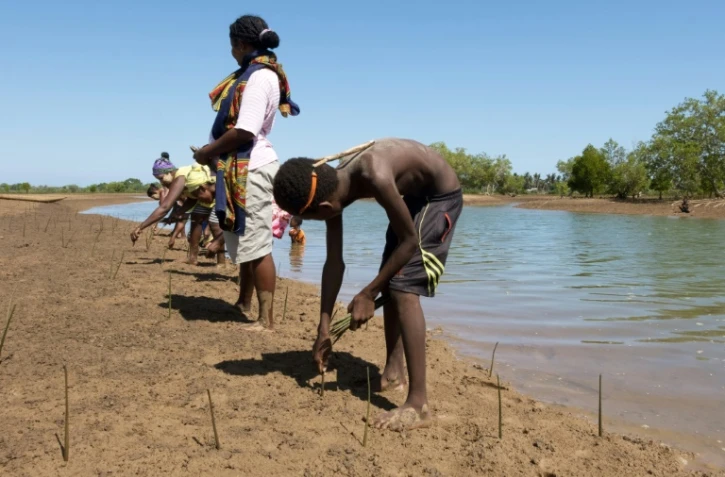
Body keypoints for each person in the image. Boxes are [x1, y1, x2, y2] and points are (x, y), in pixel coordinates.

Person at [272, 138, 463, 431]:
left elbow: (411, 241)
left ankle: (419, 405)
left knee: (402, 285)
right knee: (392, 278)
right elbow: (334, 262)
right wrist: (324, 326)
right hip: (411, 196)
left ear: (323, 208)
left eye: (306, 219)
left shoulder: (374, 175)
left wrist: (368, 292)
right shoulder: (329, 187)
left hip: (438, 196)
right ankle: (393, 374)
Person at [192, 14, 299, 330]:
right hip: (242, 168)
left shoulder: (259, 77)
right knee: (245, 241)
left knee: (257, 246)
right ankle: (243, 301)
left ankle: (265, 321)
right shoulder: (254, 74)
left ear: (240, 44)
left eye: (231, 46)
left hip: (251, 167)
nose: (230, 52)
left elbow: (245, 131)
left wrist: (205, 152)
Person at [130, 158, 226, 266]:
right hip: (204, 198)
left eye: (161, 178)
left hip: (219, 192)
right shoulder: (180, 178)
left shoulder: (179, 178)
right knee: (196, 219)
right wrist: (179, 212)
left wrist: (141, 227)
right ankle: (192, 258)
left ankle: (221, 262)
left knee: (215, 225)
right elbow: (192, 198)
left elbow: (165, 207)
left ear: (169, 172)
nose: (161, 182)